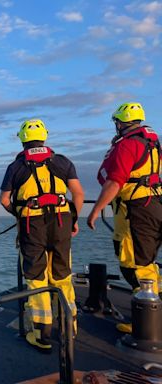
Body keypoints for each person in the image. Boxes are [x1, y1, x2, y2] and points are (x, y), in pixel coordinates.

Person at [0, 119, 84, 353]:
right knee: (62, 275)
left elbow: (4, 200)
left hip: (31, 224)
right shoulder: (62, 162)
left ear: (22, 139)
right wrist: (73, 220)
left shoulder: (16, 166)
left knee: (36, 277)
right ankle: (69, 328)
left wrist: (20, 213)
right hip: (61, 222)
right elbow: (78, 193)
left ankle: (41, 335)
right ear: (45, 137)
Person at [87, 102, 162, 333]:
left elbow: (114, 181)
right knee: (147, 263)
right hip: (154, 205)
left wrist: (96, 209)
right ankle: (150, 319)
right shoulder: (153, 145)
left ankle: (146, 326)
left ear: (121, 123)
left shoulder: (127, 146)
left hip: (135, 211)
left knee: (135, 265)